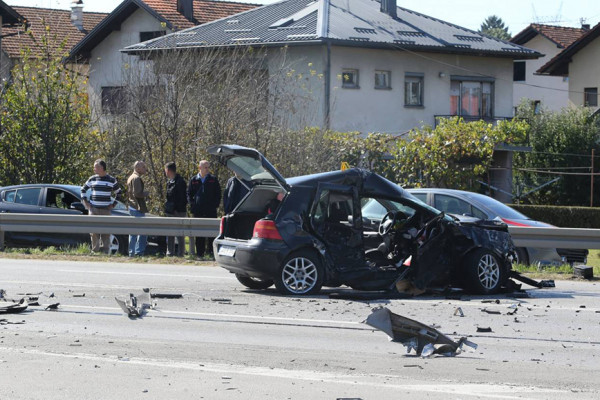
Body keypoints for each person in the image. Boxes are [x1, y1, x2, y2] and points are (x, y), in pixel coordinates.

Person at [81, 159, 122, 254]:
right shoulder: (92, 179)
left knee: (106, 232)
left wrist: (113, 204)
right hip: (93, 209)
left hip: (105, 210)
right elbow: (83, 189)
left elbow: (119, 193)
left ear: (102, 168)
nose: (94, 169)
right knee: (93, 231)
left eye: (96, 167)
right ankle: (95, 251)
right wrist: (86, 202)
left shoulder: (111, 180)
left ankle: (105, 252)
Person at [187, 160, 221, 258]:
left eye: (208, 167)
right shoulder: (194, 180)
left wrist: (215, 205)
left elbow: (218, 194)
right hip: (198, 211)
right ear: (200, 168)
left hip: (210, 211)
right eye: (205, 167)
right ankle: (200, 254)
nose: (207, 169)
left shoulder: (213, 179)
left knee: (211, 234)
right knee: (199, 234)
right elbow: (189, 194)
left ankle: (211, 253)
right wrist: (193, 205)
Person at [126, 161, 149, 257]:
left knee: (133, 232)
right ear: (138, 168)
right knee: (142, 232)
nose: (145, 169)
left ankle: (132, 252)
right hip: (137, 208)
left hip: (132, 207)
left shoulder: (131, 177)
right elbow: (137, 194)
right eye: (143, 167)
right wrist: (146, 194)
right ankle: (138, 252)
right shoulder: (136, 178)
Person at [164, 162, 187, 257]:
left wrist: (176, 210)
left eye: (165, 170)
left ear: (168, 170)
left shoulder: (180, 182)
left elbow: (182, 198)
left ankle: (181, 253)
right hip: (170, 212)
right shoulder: (170, 182)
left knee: (180, 233)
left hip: (179, 212)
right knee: (170, 233)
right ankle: (170, 252)